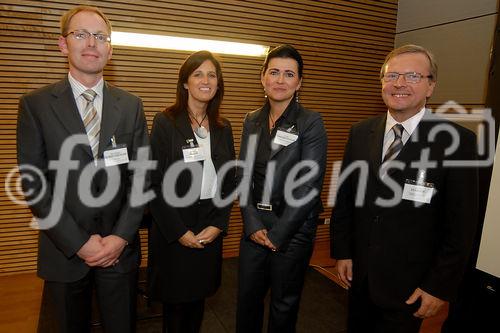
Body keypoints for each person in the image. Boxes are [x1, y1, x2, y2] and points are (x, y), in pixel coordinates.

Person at [16, 5, 149, 333]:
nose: (91, 43)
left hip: (120, 251)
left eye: (100, 36)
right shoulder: (36, 105)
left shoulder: (131, 105)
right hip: (64, 252)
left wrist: (119, 237)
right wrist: (79, 243)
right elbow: (35, 184)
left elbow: (141, 177)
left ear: (110, 48)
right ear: (64, 44)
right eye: (81, 34)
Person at [330, 44, 479, 333]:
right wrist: (343, 252)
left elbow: (461, 226)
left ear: (431, 86)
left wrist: (438, 286)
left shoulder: (457, 141)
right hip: (360, 278)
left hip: (410, 286)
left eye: (412, 76)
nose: (399, 84)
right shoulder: (361, 132)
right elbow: (345, 198)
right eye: (392, 75)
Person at [236, 44, 328, 333]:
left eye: (289, 74)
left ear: (299, 82)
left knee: (283, 304)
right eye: (274, 72)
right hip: (255, 226)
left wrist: (278, 234)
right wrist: (251, 224)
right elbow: (243, 175)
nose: (280, 80)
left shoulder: (310, 121)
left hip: (293, 229)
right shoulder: (252, 119)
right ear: (262, 77)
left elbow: (310, 185)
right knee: (246, 300)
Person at [148, 50, 236, 333]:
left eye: (212, 75)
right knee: (175, 309)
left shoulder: (224, 128)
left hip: (208, 224)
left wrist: (218, 225)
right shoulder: (166, 122)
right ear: (185, 82)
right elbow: (154, 182)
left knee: (198, 302)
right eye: (198, 74)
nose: (206, 80)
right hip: (174, 227)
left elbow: (229, 180)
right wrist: (178, 231)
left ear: (219, 83)